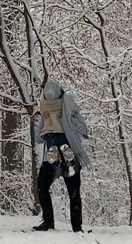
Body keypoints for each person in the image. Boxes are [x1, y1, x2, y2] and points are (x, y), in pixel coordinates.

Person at [32, 80, 90, 232]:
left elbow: (38, 138)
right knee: (72, 191)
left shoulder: (68, 109)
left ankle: (49, 223)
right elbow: (84, 130)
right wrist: (42, 120)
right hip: (61, 154)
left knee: (44, 187)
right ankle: (75, 228)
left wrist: (66, 122)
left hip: (52, 156)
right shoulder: (51, 111)